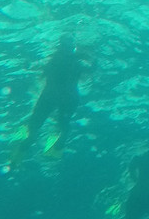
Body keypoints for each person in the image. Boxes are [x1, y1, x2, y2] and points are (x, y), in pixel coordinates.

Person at [9, 33, 90, 166]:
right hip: (70, 97)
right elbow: (90, 69)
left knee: (35, 124)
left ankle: (25, 144)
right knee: (63, 123)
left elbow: (37, 66)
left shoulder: (55, 58)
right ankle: (60, 141)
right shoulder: (77, 62)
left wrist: (27, 63)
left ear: (59, 45)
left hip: (50, 95)